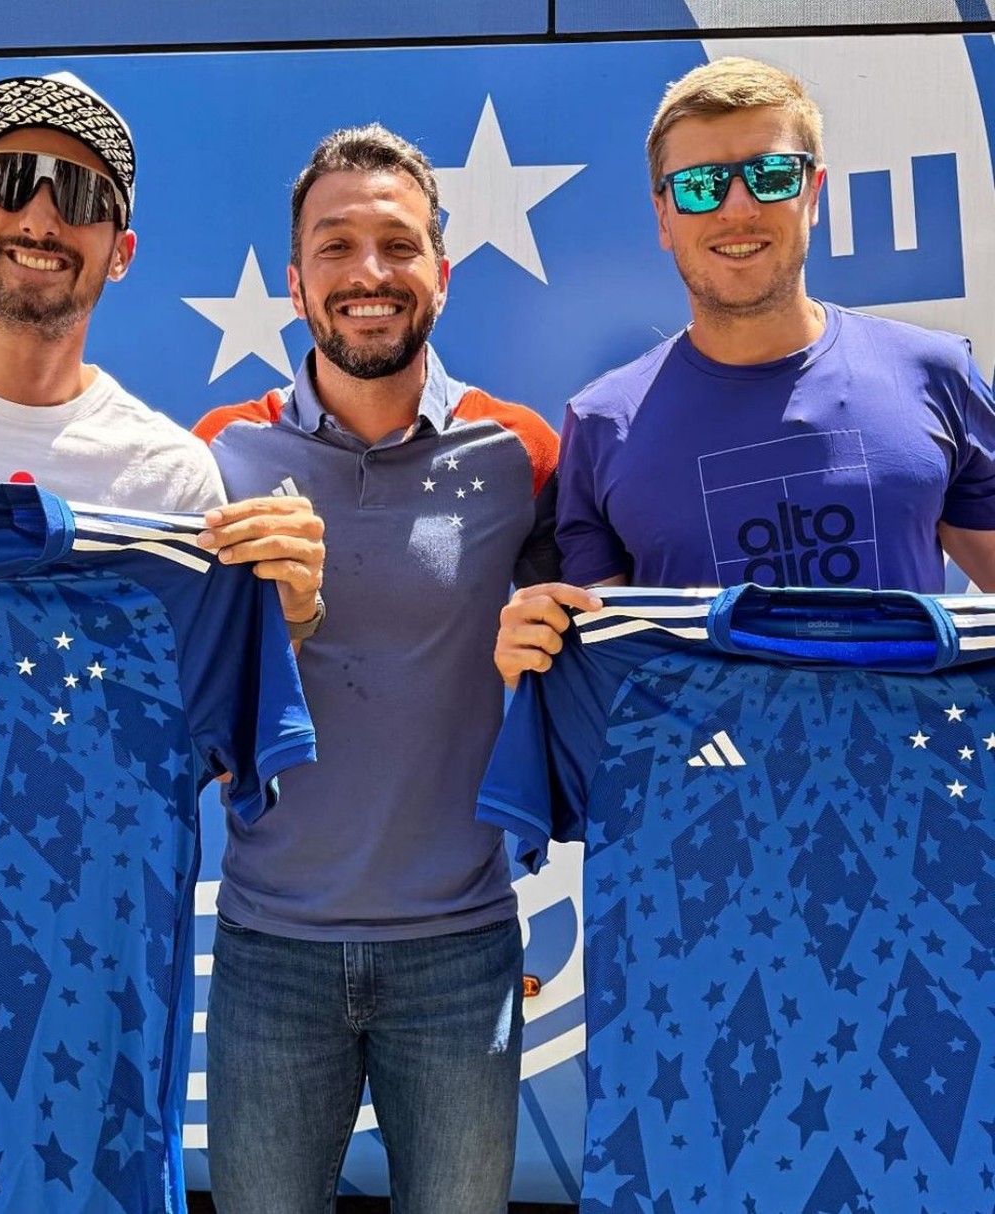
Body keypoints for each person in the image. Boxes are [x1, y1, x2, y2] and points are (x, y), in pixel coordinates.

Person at [191, 123, 561, 1214]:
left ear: (440, 273)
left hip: (462, 955)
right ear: (298, 281)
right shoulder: (216, 452)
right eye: (336, 245)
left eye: (397, 245)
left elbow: (586, 682)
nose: (368, 273)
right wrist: (286, 626)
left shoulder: (523, 453)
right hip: (270, 949)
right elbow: (186, 708)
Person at [495, 55, 995, 690]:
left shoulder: (936, 376)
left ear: (813, 195)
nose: (738, 207)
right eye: (701, 184)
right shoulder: (601, 424)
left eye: (770, 174)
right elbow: (599, 682)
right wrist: (533, 660)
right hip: (701, 787)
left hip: (906, 781)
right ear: (663, 217)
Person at [0, 70, 325, 629]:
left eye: (79, 194)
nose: (39, 221)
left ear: (121, 253)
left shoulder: (170, 480)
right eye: (11, 179)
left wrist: (292, 617)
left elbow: (200, 702)